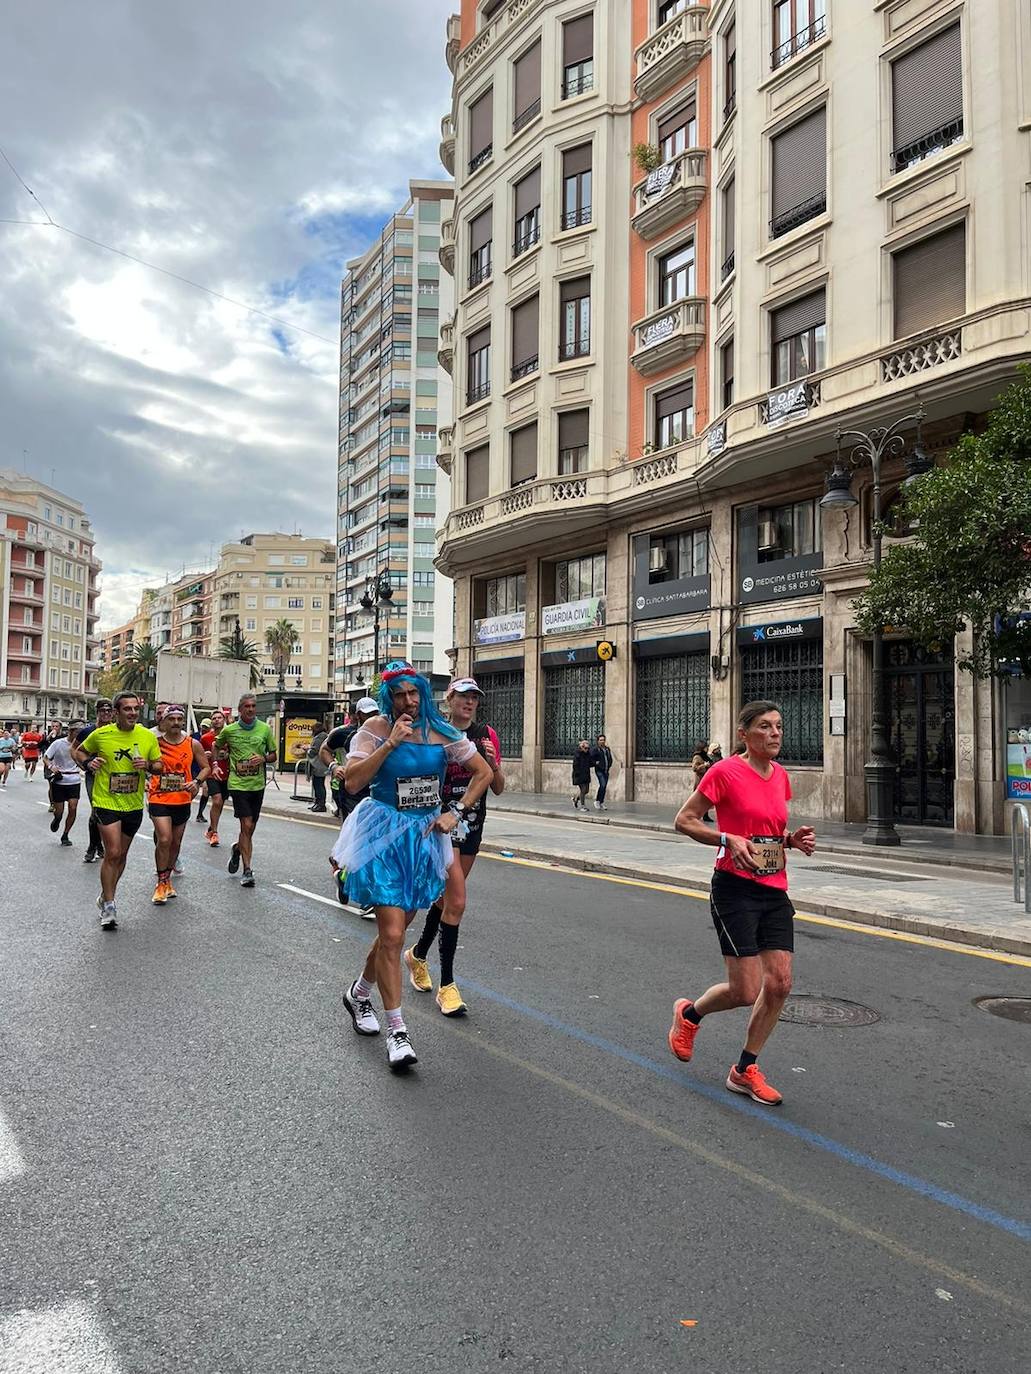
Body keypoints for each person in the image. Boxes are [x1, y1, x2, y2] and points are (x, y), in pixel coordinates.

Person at [331, 661, 492, 1070]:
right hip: (382, 834)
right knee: (391, 932)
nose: (408, 700)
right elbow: (351, 781)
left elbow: (483, 772)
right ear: (389, 698)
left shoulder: (441, 732)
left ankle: (358, 993)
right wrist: (389, 745)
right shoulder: (375, 731)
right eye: (400, 694)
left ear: (423, 693)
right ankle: (397, 1031)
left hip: (424, 840)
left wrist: (455, 811)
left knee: (396, 933)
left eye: (414, 692)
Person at [669, 700, 816, 1107]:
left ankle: (745, 1069)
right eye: (765, 727)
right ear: (743, 734)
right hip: (734, 888)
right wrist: (725, 838)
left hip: (773, 888)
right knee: (745, 990)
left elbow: (768, 831)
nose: (775, 733)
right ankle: (690, 1015)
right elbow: (684, 819)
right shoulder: (725, 771)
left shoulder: (781, 776)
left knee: (781, 983)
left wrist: (791, 840)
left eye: (779, 726)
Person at [404, 677, 505, 1016]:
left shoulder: (486, 734)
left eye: (474, 698)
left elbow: (499, 786)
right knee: (457, 900)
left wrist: (491, 763)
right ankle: (447, 986)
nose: (469, 703)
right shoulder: (436, 733)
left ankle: (417, 955)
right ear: (448, 700)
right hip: (442, 823)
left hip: (473, 823)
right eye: (462, 696)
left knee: (446, 900)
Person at [73, 691, 163, 930]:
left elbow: (159, 765)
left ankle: (105, 895)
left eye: (135, 709)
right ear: (116, 712)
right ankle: (110, 905)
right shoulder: (101, 735)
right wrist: (88, 763)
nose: (132, 713)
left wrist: (149, 766)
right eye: (127, 709)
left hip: (133, 804)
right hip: (106, 801)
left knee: (121, 856)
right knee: (112, 852)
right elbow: (80, 751)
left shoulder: (146, 736)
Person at [148, 705, 210, 904]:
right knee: (164, 839)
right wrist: (146, 775)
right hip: (158, 797)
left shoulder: (193, 744)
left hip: (182, 798)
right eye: (171, 719)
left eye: (178, 719)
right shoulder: (154, 743)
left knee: (175, 843)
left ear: (183, 722)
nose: (175, 723)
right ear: (163, 722)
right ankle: (160, 882)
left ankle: (167, 880)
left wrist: (197, 782)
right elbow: (143, 764)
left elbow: (206, 767)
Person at [322, 697, 379, 910]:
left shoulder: (385, 731)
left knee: (373, 842)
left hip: (377, 794)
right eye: (366, 714)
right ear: (356, 715)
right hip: (352, 793)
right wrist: (335, 766)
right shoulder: (344, 733)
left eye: (374, 713)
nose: (371, 718)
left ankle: (343, 874)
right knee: (360, 841)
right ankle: (366, 893)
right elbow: (323, 750)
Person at [215, 693, 277, 888]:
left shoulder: (265, 729)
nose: (250, 709)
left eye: (253, 706)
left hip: (257, 784)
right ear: (240, 709)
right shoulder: (230, 730)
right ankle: (247, 870)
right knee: (246, 824)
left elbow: (274, 755)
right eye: (246, 706)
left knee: (250, 829)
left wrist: (264, 759)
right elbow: (216, 747)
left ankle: (237, 848)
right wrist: (217, 763)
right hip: (238, 784)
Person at [78, 699, 115, 863]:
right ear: (97, 711)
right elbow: (75, 750)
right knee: (96, 810)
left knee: (108, 813)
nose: (106, 713)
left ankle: (100, 845)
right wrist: (85, 764)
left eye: (109, 710)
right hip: (94, 776)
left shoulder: (117, 730)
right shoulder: (88, 731)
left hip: (114, 778)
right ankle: (92, 847)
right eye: (102, 710)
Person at [42, 722, 83, 845]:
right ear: (71, 731)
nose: (79, 735)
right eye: (77, 732)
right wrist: (51, 766)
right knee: (59, 811)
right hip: (60, 780)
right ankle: (57, 819)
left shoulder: (82, 745)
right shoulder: (58, 743)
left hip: (74, 779)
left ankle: (65, 835)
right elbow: (46, 757)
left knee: (73, 807)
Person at [200, 710, 229, 846]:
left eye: (219, 718)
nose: (217, 720)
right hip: (212, 773)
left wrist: (228, 755)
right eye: (214, 718)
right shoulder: (205, 738)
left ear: (224, 720)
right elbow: (199, 758)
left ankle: (211, 829)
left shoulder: (230, 736)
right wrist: (204, 756)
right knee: (216, 801)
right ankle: (215, 833)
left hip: (227, 774)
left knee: (220, 803)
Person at [307, 723, 330, 813]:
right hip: (320, 765)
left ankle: (321, 804)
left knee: (318, 785)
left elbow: (314, 750)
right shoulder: (323, 736)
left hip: (319, 765)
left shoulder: (320, 737)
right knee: (317, 784)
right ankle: (317, 803)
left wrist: (307, 749)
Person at [194, 718, 212, 826]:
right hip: (195, 768)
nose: (204, 729)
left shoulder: (211, 738)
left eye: (206, 727)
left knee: (206, 790)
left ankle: (200, 814)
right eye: (203, 727)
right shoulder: (195, 736)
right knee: (193, 791)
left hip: (206, 768)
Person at [589, 733, 613, 810]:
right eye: (601, 740)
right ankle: (597, 801)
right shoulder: (595, 749)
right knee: (602, 785)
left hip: (606, 770)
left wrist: (609, 765)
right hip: (599, 770)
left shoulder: (607, 749)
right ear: (598, 741)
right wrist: (595, 763)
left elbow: (610, 758)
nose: (602, 741)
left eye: (603, 740)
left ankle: (601, 802)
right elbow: (591, 758)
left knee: (604, 786)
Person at [571, 739, 592, 809]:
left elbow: (590, 763)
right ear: (582, 747)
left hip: (586, 774)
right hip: (579, 775)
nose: (587, 749)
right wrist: (577, 774)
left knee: (586, 791)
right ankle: (583, 806)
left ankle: (576, 799)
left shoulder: (588, 754)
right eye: (585, 748)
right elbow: (575, 765)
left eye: (588, 748)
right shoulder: (577, 754)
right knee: (583, 790)